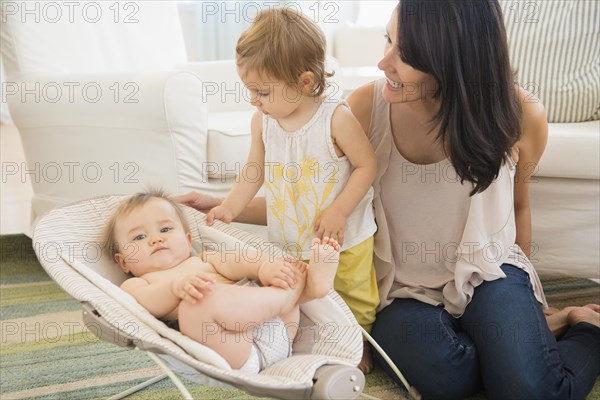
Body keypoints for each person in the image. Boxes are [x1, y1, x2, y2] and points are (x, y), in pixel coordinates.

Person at [344, 1, 600, 399]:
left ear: (454, 59)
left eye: (406, 53)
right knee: (449, 380)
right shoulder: (363, 109)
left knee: (531, 392)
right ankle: (514, 345)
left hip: (489, 271)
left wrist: (530, 304)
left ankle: (586, 327)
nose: (384, 63)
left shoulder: (520, 113)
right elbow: (330, 209)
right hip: (401, 291)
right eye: (388, 40)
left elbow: (518, 207)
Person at [201, 7, 379, 373]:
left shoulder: (335, 117)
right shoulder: (262, 121)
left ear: (303, 81)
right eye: (250, 90)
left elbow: (367, 166)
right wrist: (229, 208)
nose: (254, 100)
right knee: (303, 292)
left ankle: (360, 344)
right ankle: (305, 342)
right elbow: (254, 170)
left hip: (341, 237)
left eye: (262, 91)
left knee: (352, 294)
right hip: (293, 233)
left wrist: (339, 211)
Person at [103, 190, 341, 373]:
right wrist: (175, 288)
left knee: (277, 271)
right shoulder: (137, 284)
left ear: (187, 240)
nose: (155, 239)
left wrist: (265, 268)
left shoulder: (205, 259)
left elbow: (241, 261)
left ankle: (314, 286)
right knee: (198, 301)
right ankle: (297, 293)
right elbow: (148, 302)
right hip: (235, 352)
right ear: (123, 262)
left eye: (165, 229)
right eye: (140, 237)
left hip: (277, 328)